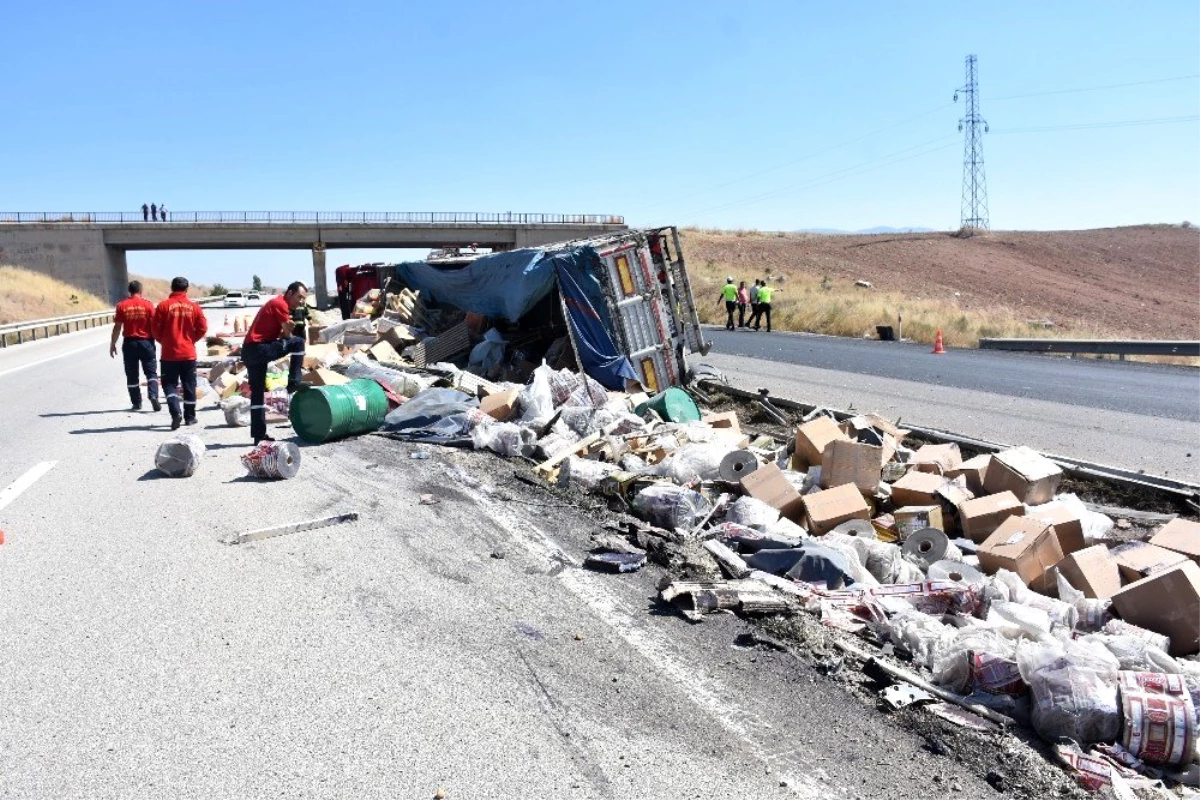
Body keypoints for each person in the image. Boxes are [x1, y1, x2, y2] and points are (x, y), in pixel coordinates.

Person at [242, 281, 308, 444]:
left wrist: (284, 331)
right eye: (299, 297)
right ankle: (294, 380)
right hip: (259, 349)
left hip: (249, 351)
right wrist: (288, 330)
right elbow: (287, 335)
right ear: (290, 293)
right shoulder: (280, 303)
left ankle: (259, 435)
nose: (301, 301)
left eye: (303, 299)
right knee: (299, 342)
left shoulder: (276, 304)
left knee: (257, 394)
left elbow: (278, 333)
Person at [152, 277, 208, 430]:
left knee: (169, 384)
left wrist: (164, 341)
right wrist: (191, 340)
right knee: (189, 385)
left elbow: (155, 329)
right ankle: (190, 417)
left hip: (169, 354)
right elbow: (203, 328)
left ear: (172, 288)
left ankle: (175, 412)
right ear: (187, 289)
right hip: (188, 353)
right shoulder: (194, 307)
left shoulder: (163, 306)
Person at [110, 280, 160, 412]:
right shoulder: (148, 305)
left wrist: (113, 344)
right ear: (141, 291)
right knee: (151, 372)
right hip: (146, 343)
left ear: (129, 291)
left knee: (132, 375)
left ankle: (137, 403)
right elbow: (155, 325)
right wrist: (158, 339)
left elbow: (117, 327)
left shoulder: (122, 305)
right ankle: (153, 395)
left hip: (130, 343)